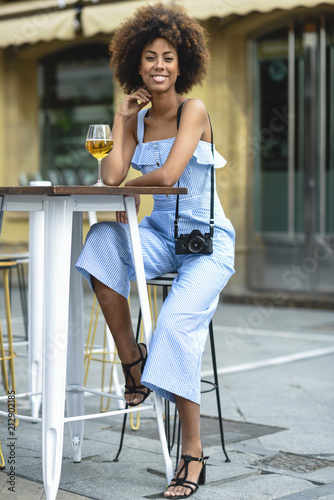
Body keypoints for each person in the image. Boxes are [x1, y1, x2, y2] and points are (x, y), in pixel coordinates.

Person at [76, 3, 235, 498]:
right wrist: (123, 118)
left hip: (207, 246)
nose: (160, 65)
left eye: (168, 56)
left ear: (181, 63)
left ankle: (193, 453)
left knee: (174, 324)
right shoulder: (137, 117)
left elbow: (165, 178)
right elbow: (110, 176)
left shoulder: (195, 110)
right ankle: (133, 365)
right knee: (101, 243)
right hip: (160, 239)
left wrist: (125, 191)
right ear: (136, 66)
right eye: (150, 57)